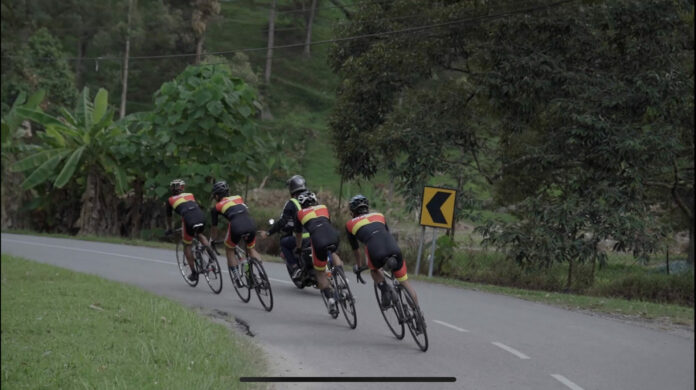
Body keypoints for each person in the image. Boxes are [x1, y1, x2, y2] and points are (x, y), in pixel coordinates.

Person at [345, 194, 419, 308]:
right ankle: (418, 314)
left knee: (374, 270)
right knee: (405, 283)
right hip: (393, 247)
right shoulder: (379, 215)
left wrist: (359, 266)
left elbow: (356, 250)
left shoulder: (350, 224)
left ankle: (384, 289)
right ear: (367, 208)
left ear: (353, 212)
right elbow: (386, 233)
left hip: (375, 250)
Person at [294, 190, 343, 315]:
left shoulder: (299, 214)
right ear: (315, 200)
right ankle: (342, 278)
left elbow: (298, 234)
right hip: (333, 235)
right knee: (333, 252)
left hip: (318, 240)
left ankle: (330, 299)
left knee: (319, 272)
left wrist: (299, 248)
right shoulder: (324, 208)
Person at [209, 180, 262, 288]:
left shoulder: (216, 208)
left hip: (236, 225)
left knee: (229, 249)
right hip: (250, 223)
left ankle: (237, 278)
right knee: (250, 249)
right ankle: (261, 272)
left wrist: (212, 240)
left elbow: (214, 228)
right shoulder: (238, 197)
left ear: (217, 196)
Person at [258, 175, 309, 280]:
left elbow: (283, 221)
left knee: (284, 244)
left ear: (291, 189)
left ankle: (295, 268)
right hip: (316, 235)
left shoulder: (292, 203)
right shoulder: (312, 199)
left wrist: (268, 233)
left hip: (302, 237)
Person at [165, 179, 211, 282]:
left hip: (189, 220)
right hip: (201, 217)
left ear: (172, 189)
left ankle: (194, 273)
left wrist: (169, 228)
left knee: (187, 245)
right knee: (200, 234)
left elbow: (169, 217)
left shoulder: (170, 200)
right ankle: (211, 254)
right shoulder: (190, 195)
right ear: (183, 188)